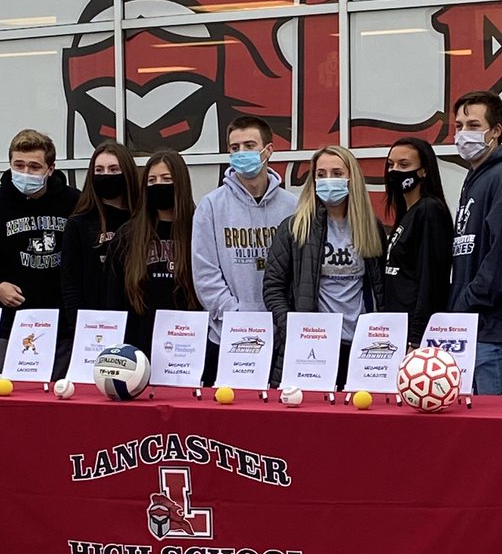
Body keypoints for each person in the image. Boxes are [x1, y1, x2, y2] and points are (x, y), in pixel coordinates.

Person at [0, 128, 80, 374]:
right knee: (4, 391)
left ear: (50, 169)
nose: (26, 172)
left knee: (59, 393)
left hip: (62, 326)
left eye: (34, 167)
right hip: (6, 324)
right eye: (19, 165)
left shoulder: (75, 202)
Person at [263, 145, 386, 388]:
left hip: (361, 347)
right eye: (321, 174)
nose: (329, 180)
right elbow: (273, 288)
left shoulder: (371, 227)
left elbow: (381, 287)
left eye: (337, 173)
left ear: (351, 178)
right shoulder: (294, 228)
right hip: (313, 348)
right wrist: (292, 328)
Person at [192, 115, 297, 385]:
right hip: (228, 336)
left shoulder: (293, 207)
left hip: (282, 336)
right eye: (234, 148)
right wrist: (235, 317)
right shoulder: (210, 206)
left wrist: (284, 320)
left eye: (249, 146)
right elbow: (205, 274)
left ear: (268, 151)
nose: (241, 154)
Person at [449, 90, 502, 394]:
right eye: (459, 126)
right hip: (471, 330)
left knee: (490, 417)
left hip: (493, 332)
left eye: (473, 125)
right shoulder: (475, 178)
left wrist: (467, 301)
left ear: (496, 131)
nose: (463, 134)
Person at [106, 150, 199, 353]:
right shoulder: (127, 235)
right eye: (151, 180)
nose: (158, 185)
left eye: (166, 179)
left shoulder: (200, 229)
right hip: (138, 345)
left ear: (180, 183)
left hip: (188, 345)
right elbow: (115, 298)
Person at [382, 138, 452, 347]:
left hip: (414, 334)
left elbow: (430, 278)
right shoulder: (407, 213)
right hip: (396, 327)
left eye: (404, 165)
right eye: (391, 165)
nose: (395, 171)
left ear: (423, 171)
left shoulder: (429, 210)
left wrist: (416, 337)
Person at [62, 142, 140, 321]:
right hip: (95, 324)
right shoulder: (78, 223)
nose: (106, 175)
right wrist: (78, 325)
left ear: (127, 172)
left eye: (114, 169)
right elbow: (71, 285)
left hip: (137, 322)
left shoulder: (142, 220)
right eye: (99, 170)